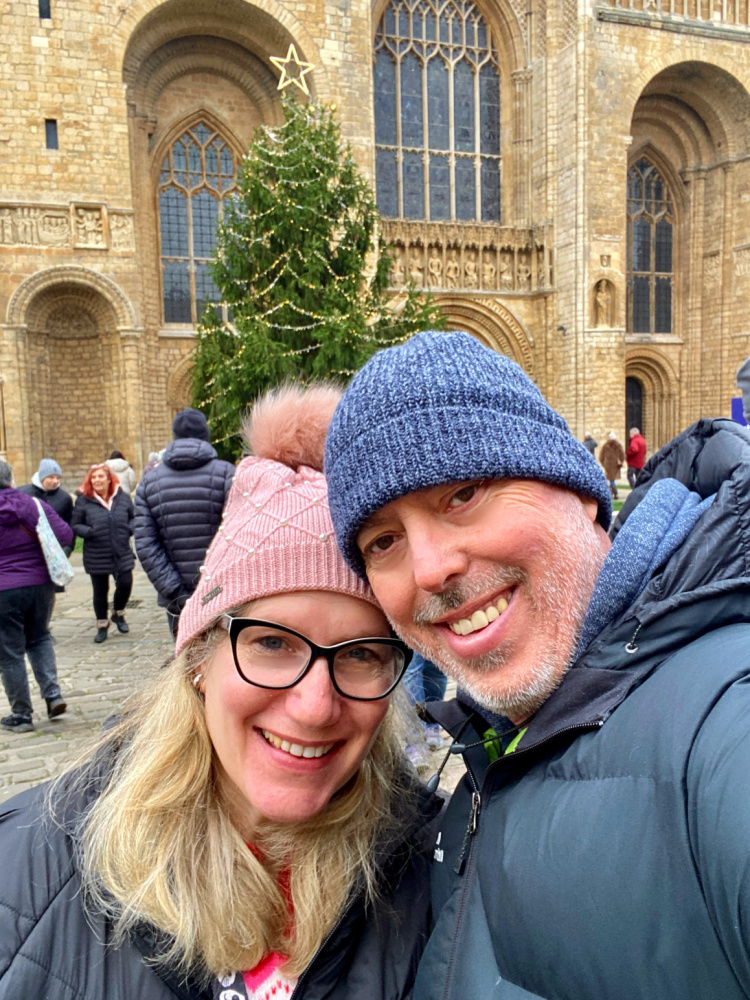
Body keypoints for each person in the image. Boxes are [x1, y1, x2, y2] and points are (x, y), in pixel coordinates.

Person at [324, 329, 750, 1000]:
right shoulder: (493, 755)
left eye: (463, 494)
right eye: (384, 541)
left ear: (580, 492)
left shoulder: (727, 717)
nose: (431, 568)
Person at [0, 386, 438, 1000]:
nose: (315, 706)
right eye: (271, 644)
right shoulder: (25, 870)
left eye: (362, 654)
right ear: (200, 656)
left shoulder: (436, 874)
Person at [134, 408, 234, 640]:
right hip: (220, 591)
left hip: (175, 596)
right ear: (205, 434)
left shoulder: (149, 482)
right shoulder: (227, 473)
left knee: (186, 660)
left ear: (175, 435)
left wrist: (175, 591)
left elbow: (145, 544)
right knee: (223, 657)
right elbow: (239, 532)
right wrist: (218, 586)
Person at [0, 459, 71, 732]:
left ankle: (21, 715)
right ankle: (53, 695)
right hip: (40, 585)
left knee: (9, 653)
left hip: (4, 589)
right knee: (39, 638)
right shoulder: (34, 504)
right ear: (10, 479)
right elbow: (65, 535)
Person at [72, 464, 135, 643]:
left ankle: (118, 613)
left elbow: (134, 517)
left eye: (101, 477)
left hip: (121, 549)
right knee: (100, 591)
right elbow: (76, 524)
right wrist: (89, 532)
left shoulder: (122, 498)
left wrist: (129, 529)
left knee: (125, 582)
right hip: (96, 552)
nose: (97, 480)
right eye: (94, 477)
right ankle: (102, 624)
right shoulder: (84, 500)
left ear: (109, 479)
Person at [17, 458, 73, 533]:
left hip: (55, 541)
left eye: (58, 478)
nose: (55, 481)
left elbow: (69, 524)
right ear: (42, 478)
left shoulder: (65, 498)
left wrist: (69, 544)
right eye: (51, 477)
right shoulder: (22, 493)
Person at [598, 429, 625, 498]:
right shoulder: (618, 445)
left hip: (608, 465)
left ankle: (613, 493)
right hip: (615, 465)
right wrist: (620, 462)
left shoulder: (605, 446)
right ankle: (613, 493)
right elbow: (622, 455)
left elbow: (601, 456)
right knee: (611, 479)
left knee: (611, 479)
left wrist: (604, 464)